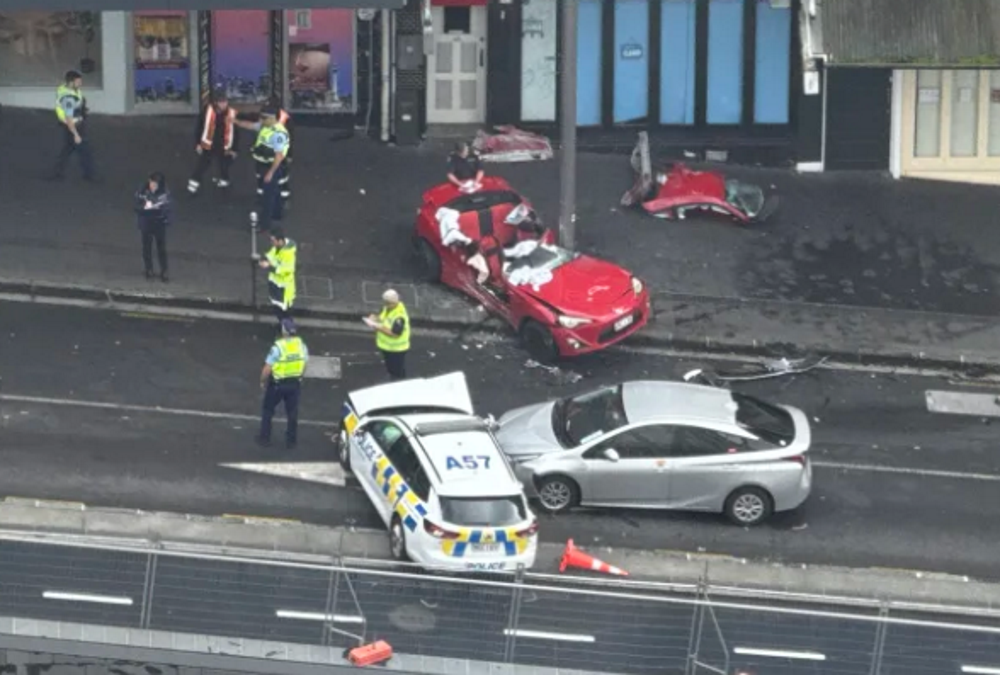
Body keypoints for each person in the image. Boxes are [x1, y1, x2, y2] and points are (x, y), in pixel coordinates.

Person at [236, 106, 290, 232]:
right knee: (275, 191)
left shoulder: (278, 134)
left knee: (267, 196)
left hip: (271, 166)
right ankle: (277, 214)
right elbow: (250, 125)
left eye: (264, 118)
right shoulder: (265, 126)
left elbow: (279, 155)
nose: (261, 120)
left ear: (272, 118)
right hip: (264, 164)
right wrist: (235, 122)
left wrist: (270, 173)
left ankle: (264, 225)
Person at [258, 318, 309, 450]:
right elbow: (305, 364)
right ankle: (291, 441)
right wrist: (300, 377)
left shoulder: (278, 347)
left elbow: (267, 368)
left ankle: (264, 438)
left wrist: (263, 381)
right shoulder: (301, 345)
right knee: (292, 413)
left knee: (268, 410)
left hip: (277, 384)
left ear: (283, 331)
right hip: (294, 384)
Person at [188, 90, 238, 195]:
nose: (223, 104)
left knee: (224, 166)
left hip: (224, 146)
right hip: (209, 144)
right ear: (216, 102)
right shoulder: (207, 111)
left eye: (225, 102)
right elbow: (200, 127)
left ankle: (224, 184)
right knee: (202, 165)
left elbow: (236, 133)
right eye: (221, 102)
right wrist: (198, 143)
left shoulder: (232, 113)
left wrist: (234, 149)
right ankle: (193, 186)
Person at [51, 70, 95, 181]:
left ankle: (57, 173)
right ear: (71, 82)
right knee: (84, 150)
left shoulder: (66, 89)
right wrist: (76, 134)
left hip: (72, 125)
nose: (81, 83)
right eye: (78, 81)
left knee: (67, 149)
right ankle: (90, 175)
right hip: (74, 127)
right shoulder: (68, 99)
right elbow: (69, 118)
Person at [134, 171, 171, 282]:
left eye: (155, 184)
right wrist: (145, 207)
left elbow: (168, 209)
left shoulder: (164, 194)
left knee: (161, 249)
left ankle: (164, 270)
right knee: (147, 248)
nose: (152, 186)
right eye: (151, 183)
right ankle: (149, 269)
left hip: (158, 224)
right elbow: (136, 205)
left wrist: (163, 216)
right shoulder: (142, 191)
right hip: (146, 223)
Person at [366, 289, 410, 381]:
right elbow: (383, 319)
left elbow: (395, 334)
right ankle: (392, 376)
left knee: (398, 370)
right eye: (385, 302)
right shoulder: (387, 308)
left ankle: (399, 384)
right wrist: (375, 318)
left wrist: (378, 327)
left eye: (388, 303)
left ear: (394, 302)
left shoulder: (399, 317)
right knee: (390, 366)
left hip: (397, 349)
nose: (385, 304)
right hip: (387, 347)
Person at [258, 226, 297, 322]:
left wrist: (269, 266)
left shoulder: (288, 254)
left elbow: (287, 269)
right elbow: (270, 255)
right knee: (277, 310)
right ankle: (283, 327)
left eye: (273, 241)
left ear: (280, 241)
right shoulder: (276, 248)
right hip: (275, 286)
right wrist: (263, 259)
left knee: (285, 313)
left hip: (284, 289)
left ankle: (288, 332)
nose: (272, 243)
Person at [266, 96, 294, 206]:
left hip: (276, 150)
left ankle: (282, 195)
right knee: (281, 174)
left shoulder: (282, 118)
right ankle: (283, 195)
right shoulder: (285, 117)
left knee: (280, 174)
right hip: (279, 150)